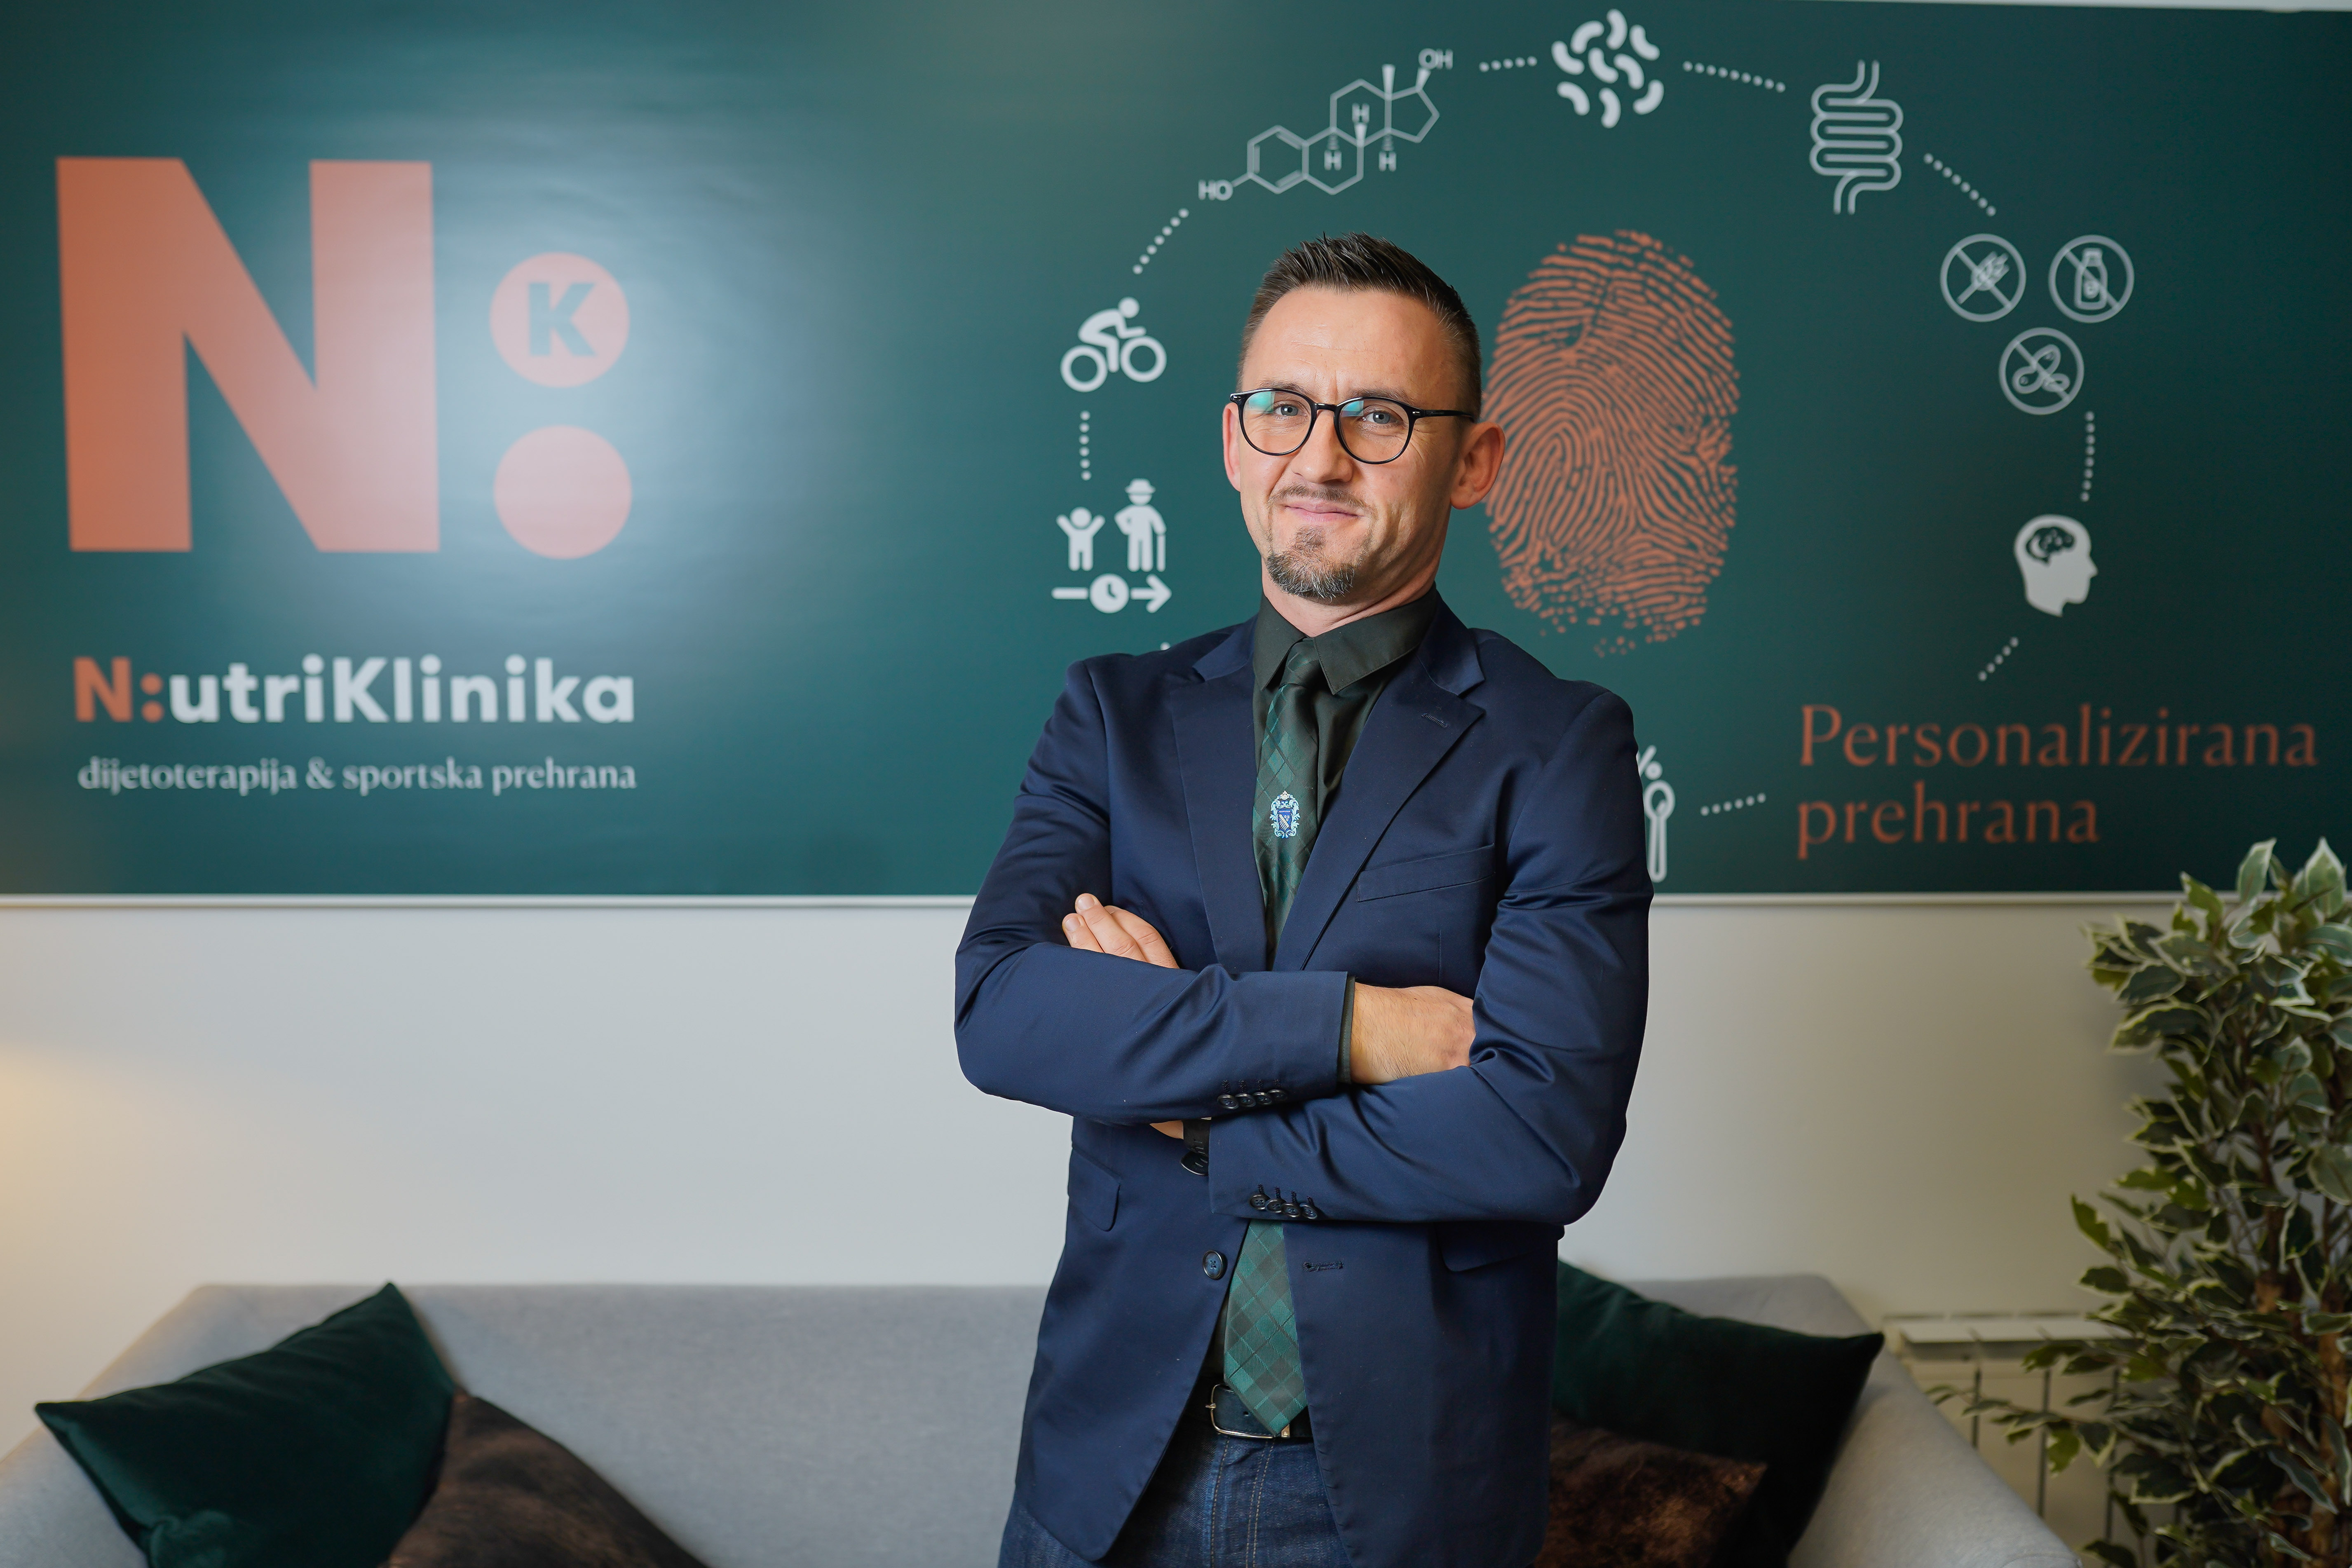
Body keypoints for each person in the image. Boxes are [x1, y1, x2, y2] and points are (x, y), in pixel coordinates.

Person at [957, 234, 1650, 1568]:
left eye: (1378, 418)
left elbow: (1540, 1135)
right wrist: (1355, 1030)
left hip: (1397, 1497)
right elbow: (1003, 1015)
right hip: (1105, 1472)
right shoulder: (1112, 715)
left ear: (1474, 462)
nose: (1318, 459)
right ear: (1234, 440)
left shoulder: (1557, 746)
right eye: (1283, 408)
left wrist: (1193, 1114)